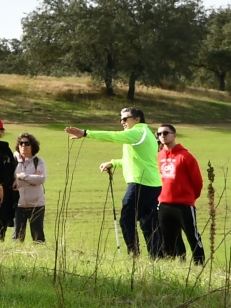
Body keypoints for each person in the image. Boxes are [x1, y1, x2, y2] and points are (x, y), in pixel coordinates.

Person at [66, 107, 162, 257]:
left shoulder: (137, 132)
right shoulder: (145, 133)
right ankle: (157, 257)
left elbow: (113, 136)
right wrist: (114, 162)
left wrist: (86, 133)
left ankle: (133, 254)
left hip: (140, 184)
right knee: (148, 223)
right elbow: (136, 161)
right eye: (121, 119)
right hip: (152, 184)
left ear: (137, 119)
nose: (122, 122)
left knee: (126, 220)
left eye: (125, 118)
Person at [155, 124, 205, 264]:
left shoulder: (185, 156)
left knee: (192, 236)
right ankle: (174, 265)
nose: (162, 136)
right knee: (167, 238)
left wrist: (188, 197)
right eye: (159, 134)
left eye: (166, 133)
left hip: (183, 205)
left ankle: (199, 264)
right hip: (164, 204)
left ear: (174, 135)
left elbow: (197, 182)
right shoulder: (159, 156)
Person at [11, 132, 47, 244]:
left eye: (27, 143)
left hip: (37, 204)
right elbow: (11, 180)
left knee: (38, 237)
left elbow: (41, 179)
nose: (23, 146)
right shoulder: (13, 161)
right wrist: (31, 181)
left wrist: (22, 176)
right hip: (18, 204)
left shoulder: (39, 162)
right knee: (17, 237)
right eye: (21, 143)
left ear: (33, 146)